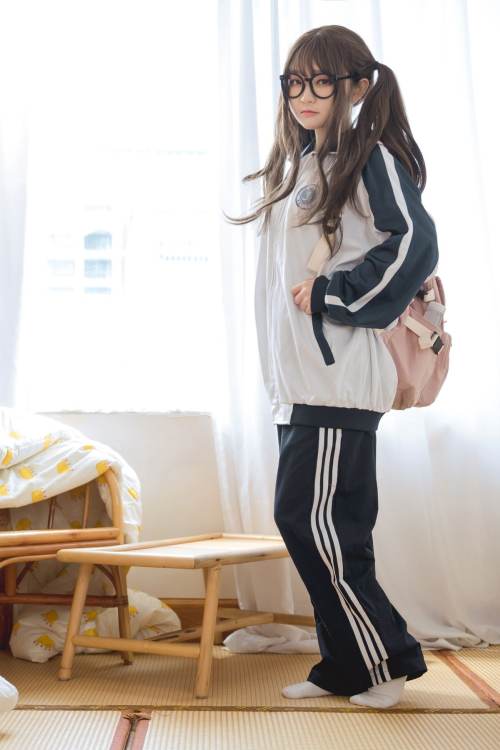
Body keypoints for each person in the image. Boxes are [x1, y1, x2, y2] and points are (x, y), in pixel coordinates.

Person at [223, 24, 438, 709]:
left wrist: (331, 295)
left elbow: (415, 245)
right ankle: (345, 665)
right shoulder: (305, 168)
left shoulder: (369, 158)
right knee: (316, 525)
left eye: (322, 80)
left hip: (336, 379)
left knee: (317, 526)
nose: (305, 94)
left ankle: (384, 662)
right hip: (300, 383)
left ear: (358, 87)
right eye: (295, 82)